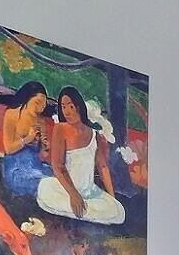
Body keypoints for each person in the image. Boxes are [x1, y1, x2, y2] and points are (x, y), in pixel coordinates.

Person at [36, 87, 125, 225]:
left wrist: (112, 197)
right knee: (48, 196)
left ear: (79, 106)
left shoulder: (94, 135)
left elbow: (103, 167)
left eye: (70, 106)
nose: (67, 111)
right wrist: (73, 194)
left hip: (89, 192)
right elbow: (58, 166)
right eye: (63, 107)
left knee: (117, 211)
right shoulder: (60, 129)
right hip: (66, 189)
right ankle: (79, 208)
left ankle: (86, 208)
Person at [0, 81, 53, 198]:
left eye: (43, 106)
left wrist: (45, 146)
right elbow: (8, 149)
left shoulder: (41, 121)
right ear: (28, 98)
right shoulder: (11, 115)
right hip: (16, 167)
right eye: (37, 103)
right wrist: (27, 140)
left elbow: (42, 153)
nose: (39, 109)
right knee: (45, 184)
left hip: (36, 165)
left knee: (57, 179)